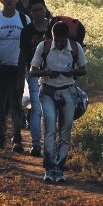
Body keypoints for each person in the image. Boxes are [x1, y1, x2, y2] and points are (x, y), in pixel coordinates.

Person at [30, 21, 88, 183]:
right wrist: (46, 72)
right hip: (47, 90)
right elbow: (32, 70)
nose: (60, 44)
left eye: (62, 41)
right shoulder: (44, 46)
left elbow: (83, 69)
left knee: (65, 132)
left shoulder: (75, 47)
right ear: (53, 37)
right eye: (57, 40)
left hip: (68, 91)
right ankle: (49, 168)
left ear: (67, 38)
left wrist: (73, 71)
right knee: (49, 130)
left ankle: (59, 168)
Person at [0, 0, 30, 152]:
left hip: (17, 69)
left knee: (17, 104)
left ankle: (17, 138)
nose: (9, 0)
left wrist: (24, 68)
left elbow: (28, 46)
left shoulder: (25, 20)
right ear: (1, 0)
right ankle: (0, 136)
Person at [18, 0, 51, 158]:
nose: (38, 13)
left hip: (52, 75)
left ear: (45, 9)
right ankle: (36, 144)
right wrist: (20, 74)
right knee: (37, 109)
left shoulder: (53, 28)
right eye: (35, 10)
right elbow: (23, 54)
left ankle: (49, 144)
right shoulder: (27, 31)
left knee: (49, 110)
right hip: (33, 73)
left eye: (40, 9)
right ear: (30, 13)